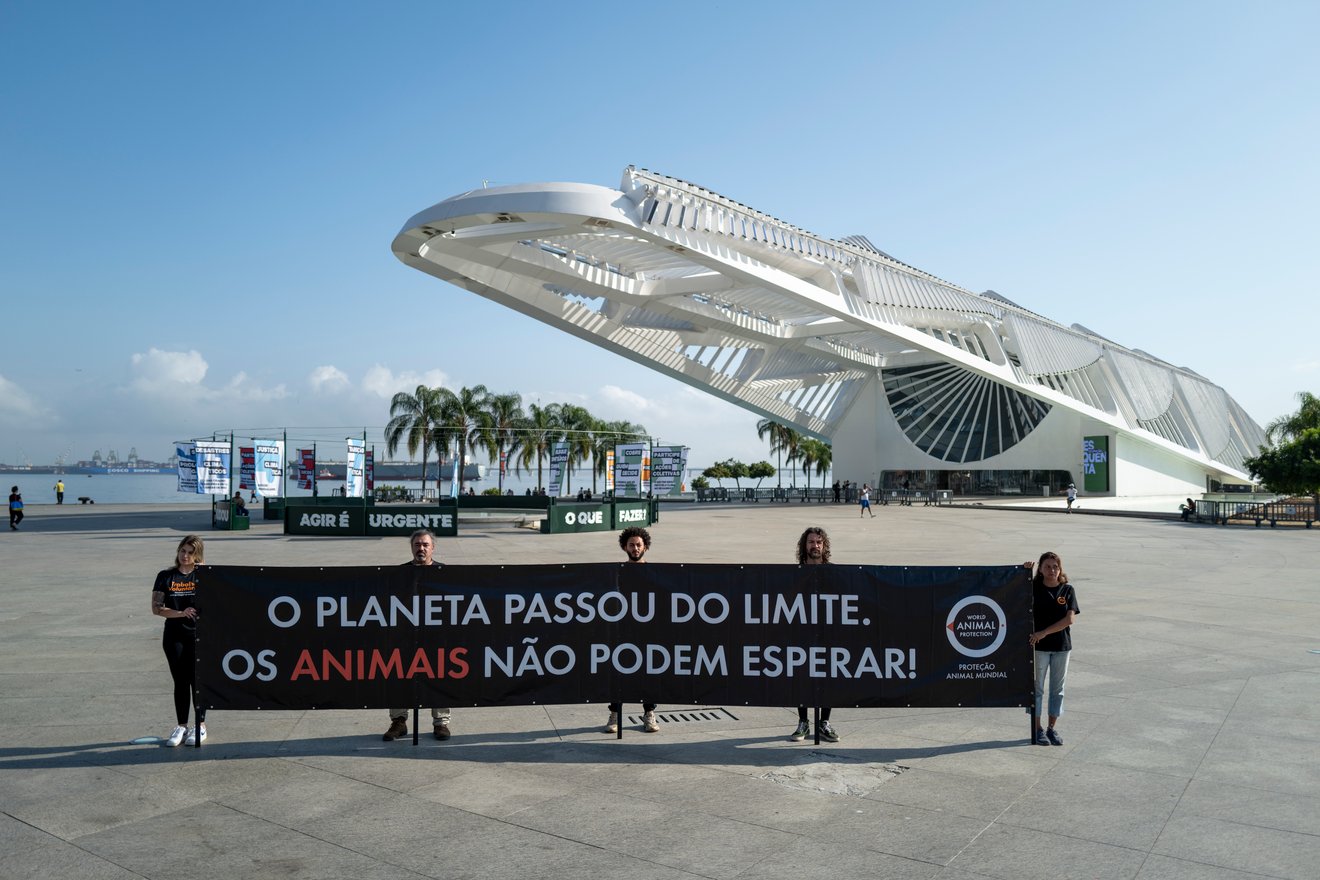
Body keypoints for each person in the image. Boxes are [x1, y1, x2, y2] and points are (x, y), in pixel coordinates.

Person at [383, 529, 453, 742]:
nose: (421, 548)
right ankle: (399, 721)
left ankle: (441, 723)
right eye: (417, 545)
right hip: (405, 637)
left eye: (425, 545)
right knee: (399, 675)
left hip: (436, 637)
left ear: (433, 548)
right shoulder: (399, 574)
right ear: (412, 548)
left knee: (438, 675)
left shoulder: (446, 573)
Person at [151, 535, 207, 746]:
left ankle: (200, 725)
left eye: (191, 552)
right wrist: (181, 613)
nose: (185, 556)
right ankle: (181, 726)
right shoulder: (166, 576)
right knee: (180, 681)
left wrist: (205, 570)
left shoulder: (202, 576)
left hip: (198, 636)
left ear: (197, 555)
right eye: (183, 550)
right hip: (174, 636)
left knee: (197, 681)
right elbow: (156, 608)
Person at [605, 526, 661, 734]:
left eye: (638, 545)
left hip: (648, 632)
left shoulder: (655, 573)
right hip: (623, 631)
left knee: (648, 673)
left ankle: (649, 713)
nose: (635, 549)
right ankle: (615, 714)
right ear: (624, 547)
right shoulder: (617, 572)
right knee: (618, 673)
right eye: (631, 545)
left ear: (645, 547)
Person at [790, 527, 840, 743]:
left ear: (824, 545)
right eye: (811, 542)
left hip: (828, 634)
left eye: (819, 542)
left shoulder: (834, 573)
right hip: (802, 633)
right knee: (801, 677)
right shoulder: (795, 574)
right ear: (804, 545)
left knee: (828, 677)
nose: (815, 546)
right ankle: (803, 721)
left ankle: (824, 722)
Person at [1027, 551, 1079, 746]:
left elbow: (1069, 619)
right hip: (1038, 647)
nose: (1052, 570)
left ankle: (1051, 728)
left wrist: (1044, 632)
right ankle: (1037, 729)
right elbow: (1012, 591)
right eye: (1047, 566)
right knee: (1037, 688)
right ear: (1040, 569)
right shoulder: (1033, 588)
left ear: (1060, 569)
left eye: (1055, 567)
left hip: (1061, 646)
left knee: (1057, 689)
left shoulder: (1067, 590)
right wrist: (1024, 571)